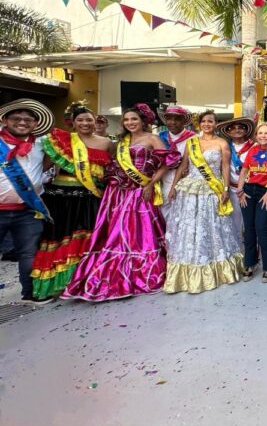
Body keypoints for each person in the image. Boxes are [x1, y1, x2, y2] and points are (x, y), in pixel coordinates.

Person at [62, 103, 180, 301]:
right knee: (115, 234)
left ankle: (136, 273)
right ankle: (113, 275)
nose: (130, 122)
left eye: (134, 119)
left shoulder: (152, 138)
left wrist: (151, 184)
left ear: (143, 120)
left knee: (137, 233)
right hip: (116, 193)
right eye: (126, 119)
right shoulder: (121, 141)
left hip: (139, 192)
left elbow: (168, 162)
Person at [32, 102, 113, 300]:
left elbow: (110, 171)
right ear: (73, 123)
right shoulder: (62, 140)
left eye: (89, 120)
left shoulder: (106, 143)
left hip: (90, 197)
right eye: (80, 120)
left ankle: (86, 280)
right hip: (61, 197)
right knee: (60, 237)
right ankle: (58, 283)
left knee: (89, 237)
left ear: (96, 122)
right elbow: (42, 167)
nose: (85, 123)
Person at [163, 111, 243, 294]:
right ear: (199, 124)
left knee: (211, 227)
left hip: (211, 190)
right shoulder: (191, 142)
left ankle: (214, 265)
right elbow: (184, 166)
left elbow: (224, 167)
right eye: (204, 121)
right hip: (190, 190)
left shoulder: (222, 143)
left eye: (211, 121)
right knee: (190, 227)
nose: (207, 124)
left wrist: (223, 189)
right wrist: (174, 187)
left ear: (216, 124)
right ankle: (189, 266)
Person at [0, 99, 55, 304]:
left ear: (35, 124)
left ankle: (30, 292)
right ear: (5, 120)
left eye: (28, 119)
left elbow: (45, 167)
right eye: (16, 118)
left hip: (28, 210)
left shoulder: (41, 144)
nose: (22, 122)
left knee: (29, 253)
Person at [237, 122, 267, 283]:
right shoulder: (253, 149)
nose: (263, 136)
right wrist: (240, 190)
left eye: (266, 133)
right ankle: (250, 263)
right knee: (249, 228)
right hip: (248, 190)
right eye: (260, 133)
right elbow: (244, 170)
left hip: (265, 191)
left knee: (261, 228)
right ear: (256, 135)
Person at [217, 117, 255, 239]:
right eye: (232, 128)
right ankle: (237, 254)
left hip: (250, 190)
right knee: (234, 224)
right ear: (228, 132)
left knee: (252, 224)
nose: (237, 130)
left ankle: (253, 255)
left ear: (246, 130)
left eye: (240, 127)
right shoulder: (224, 147)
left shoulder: (254, 146)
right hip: (232, 190)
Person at [157, 105, 196, 219]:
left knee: (185, 214)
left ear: (184, 121)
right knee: (164, 212)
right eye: (169, 118)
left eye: (177, 119)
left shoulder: (194, 138)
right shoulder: (159, 137)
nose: (173, 122)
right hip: (164, 178)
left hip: (186, 179)